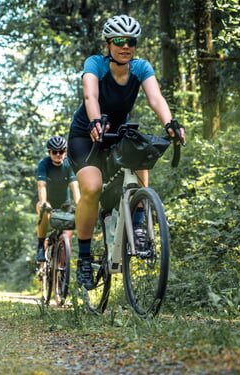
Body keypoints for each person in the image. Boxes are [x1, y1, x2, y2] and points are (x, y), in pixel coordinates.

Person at [67, 15, 186, 289]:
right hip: (86, 135)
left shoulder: (140, 67)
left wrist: (169, 123)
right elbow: (90, 96)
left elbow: (155, 97)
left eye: (131, 42)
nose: (125, 47)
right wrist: (96, 121)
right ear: (108, 43)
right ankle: (84, 258)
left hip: (118, 134)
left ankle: (140, 222)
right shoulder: (95, 64)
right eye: (119, 41)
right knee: (92, 188)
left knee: (141, 154)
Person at [35, 136, 80, 262]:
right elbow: (41, 185)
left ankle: (62, 271)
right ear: (49, 152)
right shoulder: (44, 164)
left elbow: (74, 187)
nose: (58, 154)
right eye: (55, 152)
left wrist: (79, 205)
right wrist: (44, 202)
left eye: (61, 151)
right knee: (43, 211)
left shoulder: (68, 164)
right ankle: (40, 246)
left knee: (67, 235)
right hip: (46, 200)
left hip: (64, 203)